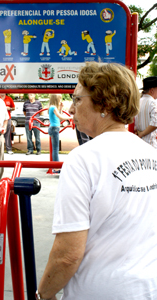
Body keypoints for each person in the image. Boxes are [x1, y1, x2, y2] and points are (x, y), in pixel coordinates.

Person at [36, 62, 157, 300]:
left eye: (77, 99)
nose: (71, 108)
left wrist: (44, 295)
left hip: (100, 291)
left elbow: (68, 254)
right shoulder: (150, 154)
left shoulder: (83, 160)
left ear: (104, 104)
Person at [48, 94, 71, 174]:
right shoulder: (53, 108)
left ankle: (56, 167)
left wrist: (61, 107)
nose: (61, 101)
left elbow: (58, 116)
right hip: (54, 128)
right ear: (56, 100)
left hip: (54, 128)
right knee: (55, 149)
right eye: (60, 99)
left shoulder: (52, 107)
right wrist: (72, 117)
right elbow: (61, 117)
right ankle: (56, 168)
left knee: (55, 148)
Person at [134, 76, 157, 148]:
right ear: (152, 90)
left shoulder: (138, 101)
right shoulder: (153, 103)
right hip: (150, 143)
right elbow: (155, 123)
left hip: (138, 142)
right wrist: (142, 134)